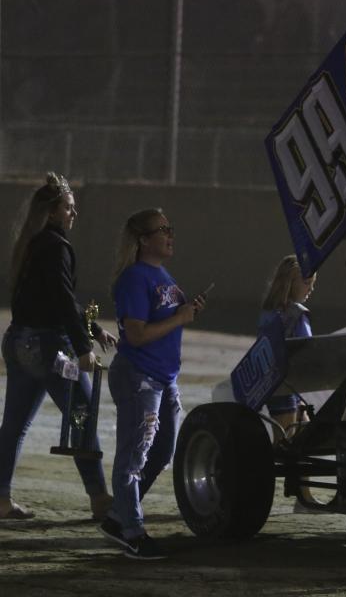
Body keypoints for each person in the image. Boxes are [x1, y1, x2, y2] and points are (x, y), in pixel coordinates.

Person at [1, 173, 115, 521]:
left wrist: (93, 328)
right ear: (52, 212)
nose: (73, 214)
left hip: (19, 341)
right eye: (68, 207)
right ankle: (99, 499)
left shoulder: (32, 244)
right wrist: (83, 347)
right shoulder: (56, 247)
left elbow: (56, 298)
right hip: (50, 347)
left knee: (14, 425)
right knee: (82, 418)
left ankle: (1, 499)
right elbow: (64, 300)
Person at [97, 208, 205, 560]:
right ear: (144, 239)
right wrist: (179, 318)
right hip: (139, 377)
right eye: (163, 229)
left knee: (163, 451)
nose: (171, 234)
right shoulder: (135, 277)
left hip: (163, 379)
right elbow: (138, 334)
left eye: (171, 228)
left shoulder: (162, 274)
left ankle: (118, 516)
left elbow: (165, 319)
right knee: (133, 456)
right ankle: (133, 531)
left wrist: (184, 312)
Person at [259, 254, 318, 511]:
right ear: (291, 283)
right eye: (307, 282)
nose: (311, 288)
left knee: (299, 440)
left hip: (276, 388)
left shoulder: (269, 313)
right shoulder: (296, 315)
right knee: (288, 445)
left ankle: (302, 496)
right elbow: (307, 350)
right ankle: (295, 496)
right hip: (290, 391)